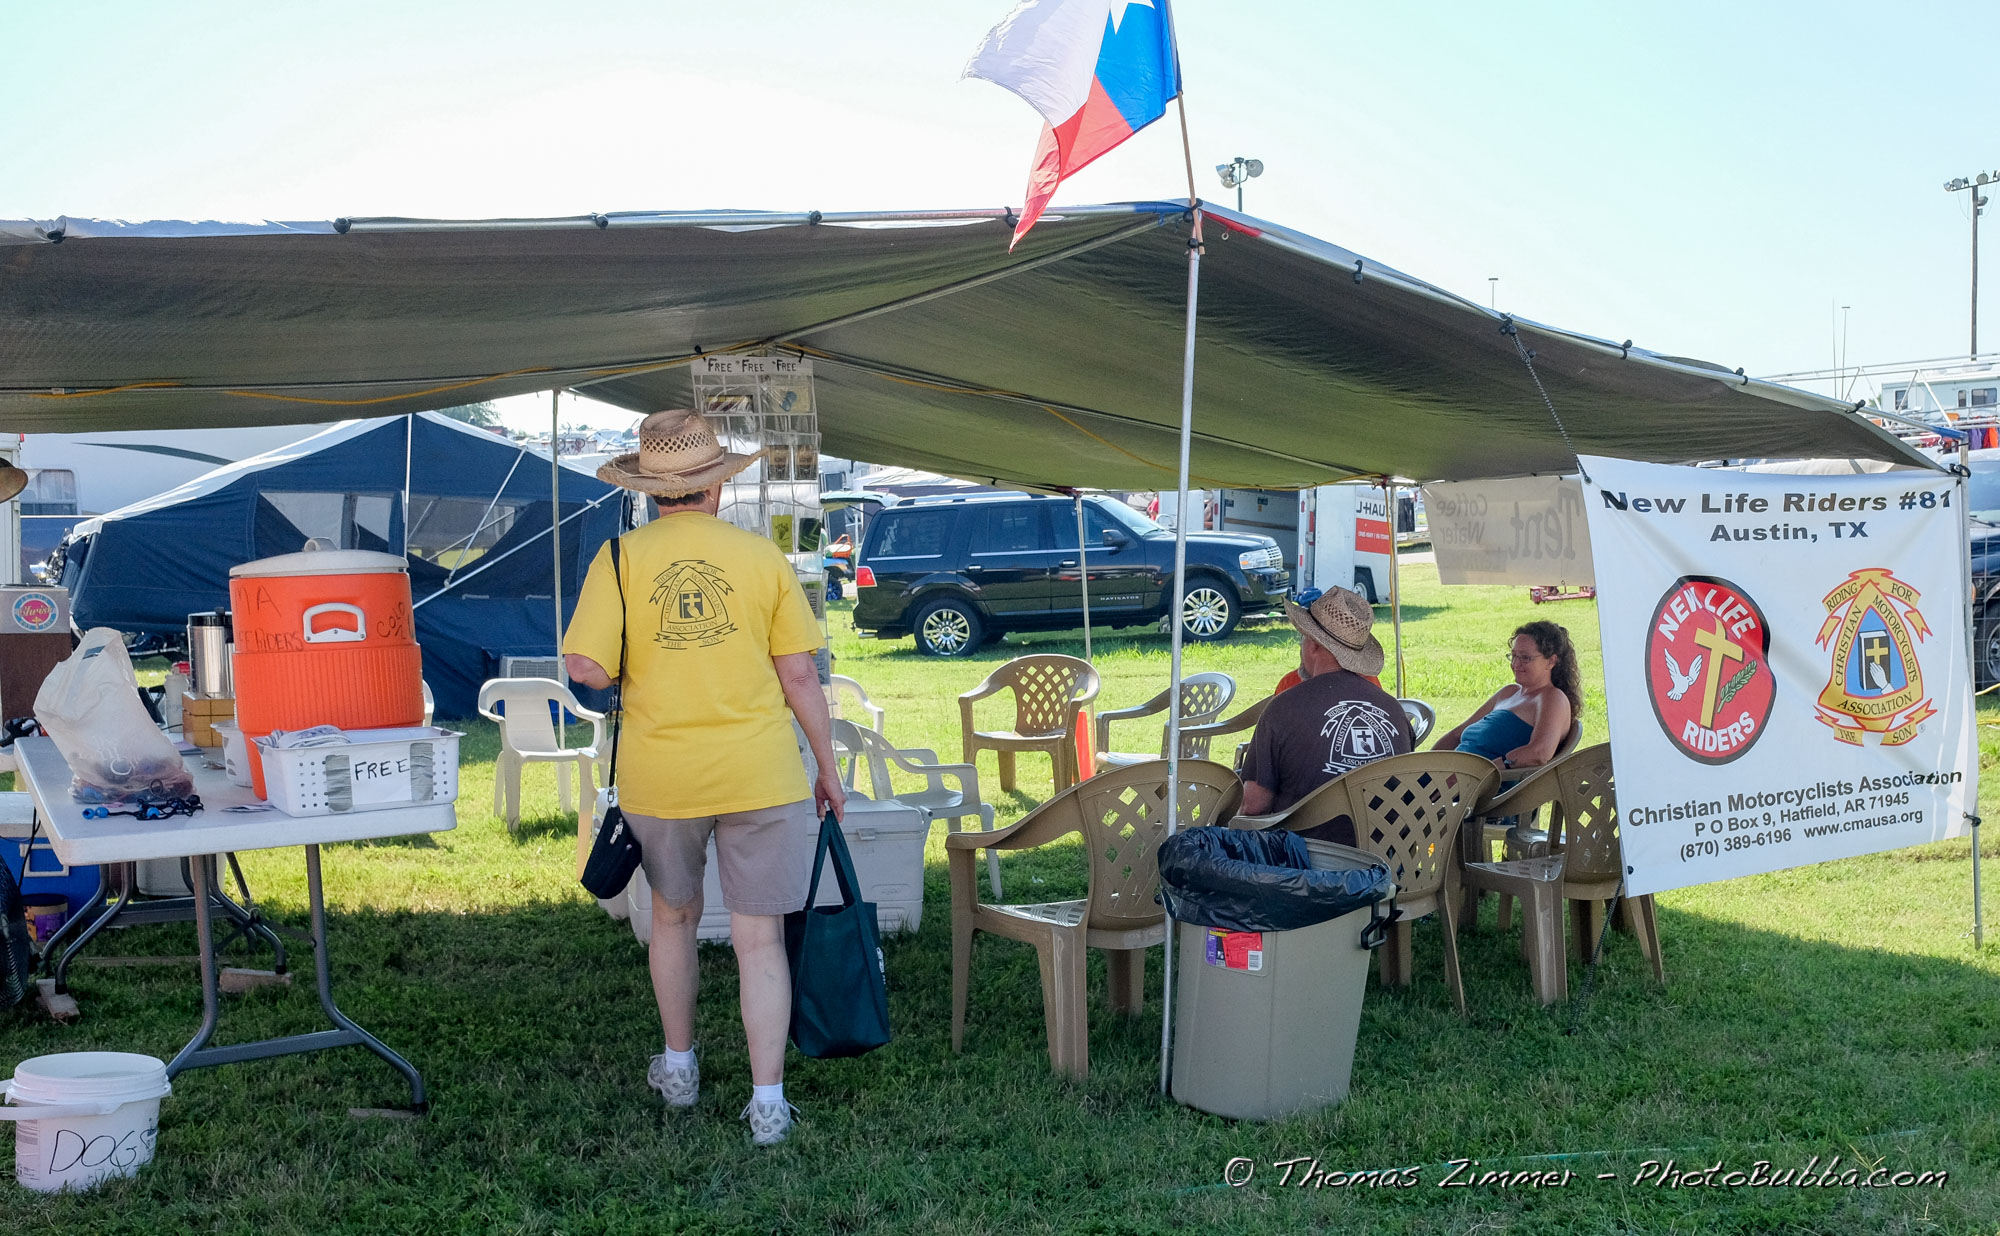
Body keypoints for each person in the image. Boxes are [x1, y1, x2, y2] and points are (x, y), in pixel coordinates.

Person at [563, 408, 845, 1148]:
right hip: (762, 773)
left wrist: (633, 665)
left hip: (664, 777)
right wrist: (827, 769)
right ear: (716, 486)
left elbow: (585, 667)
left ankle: (680, 1067)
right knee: (760, 938)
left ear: (650, 490)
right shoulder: (761, 559)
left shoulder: (619, 559)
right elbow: (800, 677)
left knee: (673, 919)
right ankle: (768, 1104)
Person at [1239, 586, 1414, 840]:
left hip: (1306, 860)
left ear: (1313, 644)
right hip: (1386, 857)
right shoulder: (1394, 711)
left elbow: (1254, 806)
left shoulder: (1283, 708)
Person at [1434, 620, 1580, 772]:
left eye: (1525, 657)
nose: (1516, 664)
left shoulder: (1552, 698)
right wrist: (1423, 764)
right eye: (1514, 655)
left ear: (1551, 661)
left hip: (1482, 782)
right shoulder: (1508, 692)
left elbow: (1539, 752)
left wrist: (1485, 772)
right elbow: (1457, 734)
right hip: (1450, 775)